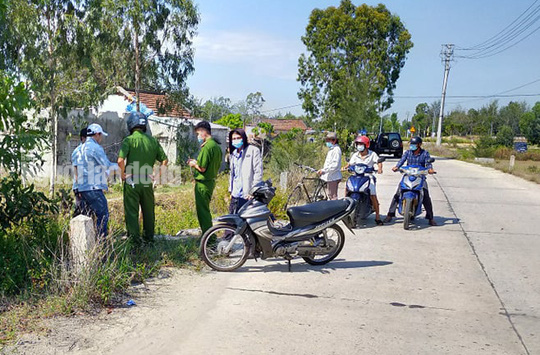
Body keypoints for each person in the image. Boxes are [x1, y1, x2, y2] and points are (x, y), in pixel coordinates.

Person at [117, 112, 168, 246]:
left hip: (132, 180)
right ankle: (149, 240)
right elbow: (164, 160)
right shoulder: (153, 140)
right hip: (146, 181)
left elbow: (120, 160)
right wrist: (157, 177)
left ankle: (134, 242)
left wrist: (122, 174)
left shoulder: (128, 140)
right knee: (148, 211)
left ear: (131, 125)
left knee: (132, 212)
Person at [383, 136, 437, 226]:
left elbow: (428, 163)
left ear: (419, 145)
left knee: (426, 195)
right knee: (398, 193)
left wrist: (430, 169)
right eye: (411, 144)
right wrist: (397, 167)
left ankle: (430, 218)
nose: (412, 146)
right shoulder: (408, 153)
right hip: (408, 176)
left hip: (420, 177)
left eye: (414, 144)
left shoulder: (425, 153)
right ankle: (390, 214)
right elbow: (402, 160)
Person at [76, 123, 116, 239]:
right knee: (103, 215)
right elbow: (107, 166)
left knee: (87, 216)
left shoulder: (80, 148)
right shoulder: (96, 148)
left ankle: (86, 244)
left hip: (83, 189)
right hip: (94, 188)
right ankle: (101, 244)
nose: (101, 138)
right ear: (97, 134)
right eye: (101, 135)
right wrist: (123, 168)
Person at [187, 121, 223, 235]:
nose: (198, 137)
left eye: (198, 134)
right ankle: (208, 237)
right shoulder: (216, 146)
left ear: (203, 132)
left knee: (203, 213)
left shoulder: (207, 147)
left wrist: (193, 164)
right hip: (210, 182)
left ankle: (209, 239)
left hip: (203, 184)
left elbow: (202, 168)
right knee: (205, 211)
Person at [343, 135, 384, 225]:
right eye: (358, 144)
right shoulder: (355, 155)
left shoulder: (372, 154)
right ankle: (345, 208)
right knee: (347, 187)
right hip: (356, 176)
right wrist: (344, 167)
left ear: (366, 145)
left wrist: (379, 168)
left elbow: (379, 161)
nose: (359, 146)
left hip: (368, 176)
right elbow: (350, 163)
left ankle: (377, 217)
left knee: (373, 194)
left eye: (361, 144)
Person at [228, 128, 263, 213]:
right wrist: (230, 190)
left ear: (243, 138)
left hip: (247, 195)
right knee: (232, 222)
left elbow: (258, 173)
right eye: (234, 139)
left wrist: (253, 191)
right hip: (235, 194)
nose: (236, 140)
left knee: (245, 223)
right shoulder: (233, 154)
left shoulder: (253, 150)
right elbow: (233, 174)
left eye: (238, 138)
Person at [318, 132, 342, 200]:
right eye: (327, 140)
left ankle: (335, 210)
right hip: (330, 175)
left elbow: (334, 165)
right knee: (330, 195)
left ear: (334, 140)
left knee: (333, 196)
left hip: (333, 176)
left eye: (329, 140)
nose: (327, 142)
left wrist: (324, 170)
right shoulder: (332, 149)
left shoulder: (336, 150)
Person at [72, 127, 87, 216]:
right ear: (82, 138)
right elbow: (77, 171)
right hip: (80, 187)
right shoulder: (78, 151)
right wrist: (81, 188)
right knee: (81, 211)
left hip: (84, 186)